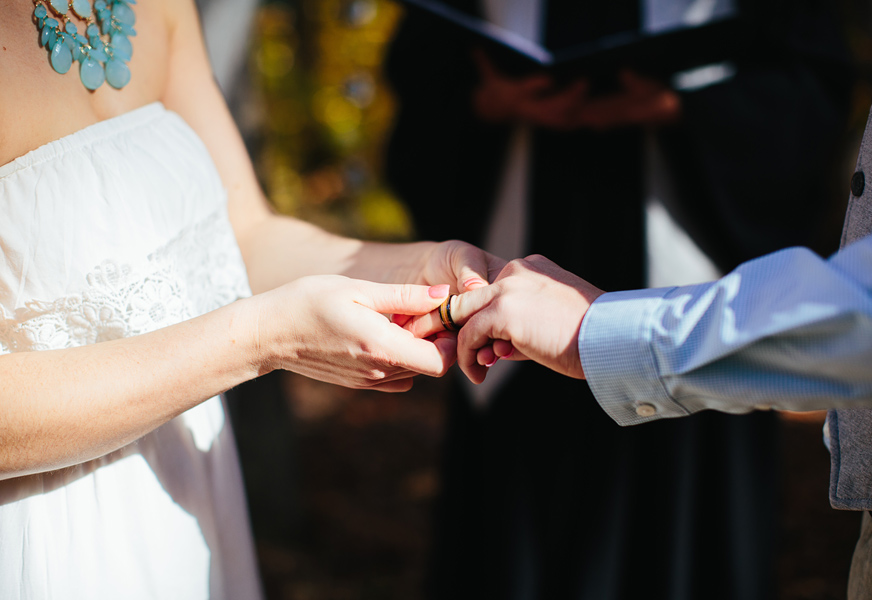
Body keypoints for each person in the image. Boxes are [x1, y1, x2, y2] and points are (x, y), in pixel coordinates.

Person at [0, 0, 502, 597]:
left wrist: (422, 269)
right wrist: (261, 340)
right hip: (40, 539)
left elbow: (245, 234)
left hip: (185, 494)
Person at [409, 10, 872, 594]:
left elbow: (805, 96)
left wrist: (683, 110)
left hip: (693, 314)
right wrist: (486, 104)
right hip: (515, 328)